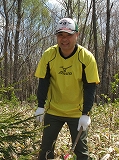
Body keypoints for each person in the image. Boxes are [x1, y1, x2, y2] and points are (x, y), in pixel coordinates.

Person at [34, 18, 100, 160]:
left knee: (81, 153)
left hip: (77, 113)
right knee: (45, 151)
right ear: (56, 36)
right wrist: (40, 106)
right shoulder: (49, 55)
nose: (64, 39)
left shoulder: (86, 58)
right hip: (53, 110)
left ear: (77, 35)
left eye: (69, 35)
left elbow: (90, 87)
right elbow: (43, 82)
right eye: (60, 35)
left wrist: (86, 113)